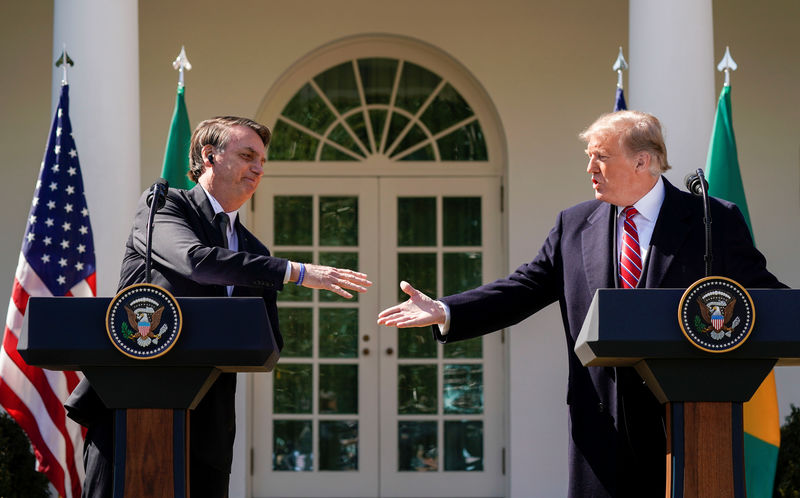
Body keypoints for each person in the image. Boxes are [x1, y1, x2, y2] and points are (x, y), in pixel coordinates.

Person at [377, 110, 784, 497]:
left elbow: (763, 296)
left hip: (686, 422)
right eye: (590, 158)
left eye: (602, 158)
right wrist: (448, 310)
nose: (590, 169)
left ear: (644, 162)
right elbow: (524, 287)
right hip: (600, 420)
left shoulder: (711, 220)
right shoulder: (574, 224)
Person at [66, 116, 371, 497]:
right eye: (247, 155)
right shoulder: (165, 208)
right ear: (209, 156)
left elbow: (269, 341)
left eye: (262, 160)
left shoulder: (254, 250)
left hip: (208, 421)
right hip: (130, 406)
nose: (258, 168)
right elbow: (195, 261)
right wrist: (297, 272)